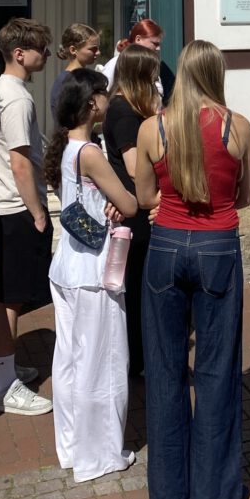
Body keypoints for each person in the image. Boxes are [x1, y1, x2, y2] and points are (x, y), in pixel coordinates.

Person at [134, 39, 250, 499]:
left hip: (165, 246)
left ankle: (168, 495)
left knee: (164, 369)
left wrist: (169, 203)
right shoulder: (236, 126)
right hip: (217, 246)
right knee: (216, 371)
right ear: (216, 74)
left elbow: (146, 196)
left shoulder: (152, 127)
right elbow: (244, 197)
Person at [43, 69, 139, 483]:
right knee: (103, 360)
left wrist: (109, 203)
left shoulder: (66, 147)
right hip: (94, 269)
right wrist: (120, 202)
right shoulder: (90, 153)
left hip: (67, 265)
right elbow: (131, 204)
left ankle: (72, 446)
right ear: (90, 103)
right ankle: (100, 454)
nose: (107, 99)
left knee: (69, 358)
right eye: (102, 93)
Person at [0, 17, 54, 416]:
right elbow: (20, 161)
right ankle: (5, 386)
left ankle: (1, 370)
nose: (47, 54)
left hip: (1, 206)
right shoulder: (17, 98)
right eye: (41, 48)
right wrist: (37, 211)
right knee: (12, 298)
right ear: (19, 53)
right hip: (15, 208)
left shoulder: (0, 91)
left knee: (3, 292)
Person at [103, 44, 161, 377]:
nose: (156, 81)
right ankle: (137, 360)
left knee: (139, 285)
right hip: (135, 213)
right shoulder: (124, 111)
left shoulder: (128, 107)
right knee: (137, 286)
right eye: (151, 74)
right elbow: (135, 167)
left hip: (136, 208)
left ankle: (138, 356)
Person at [101, 19, 176, 102]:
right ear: (138, 39)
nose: (158, 48)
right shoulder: (116, 63)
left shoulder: (155, 65)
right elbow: (104, 94)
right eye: (155, 43)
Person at [49, 23, 101, 121]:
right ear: (73, 50)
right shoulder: (66, 81)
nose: (98, 53)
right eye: (93, 49)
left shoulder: (84, 78)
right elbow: (66, 119)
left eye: (98, 48)